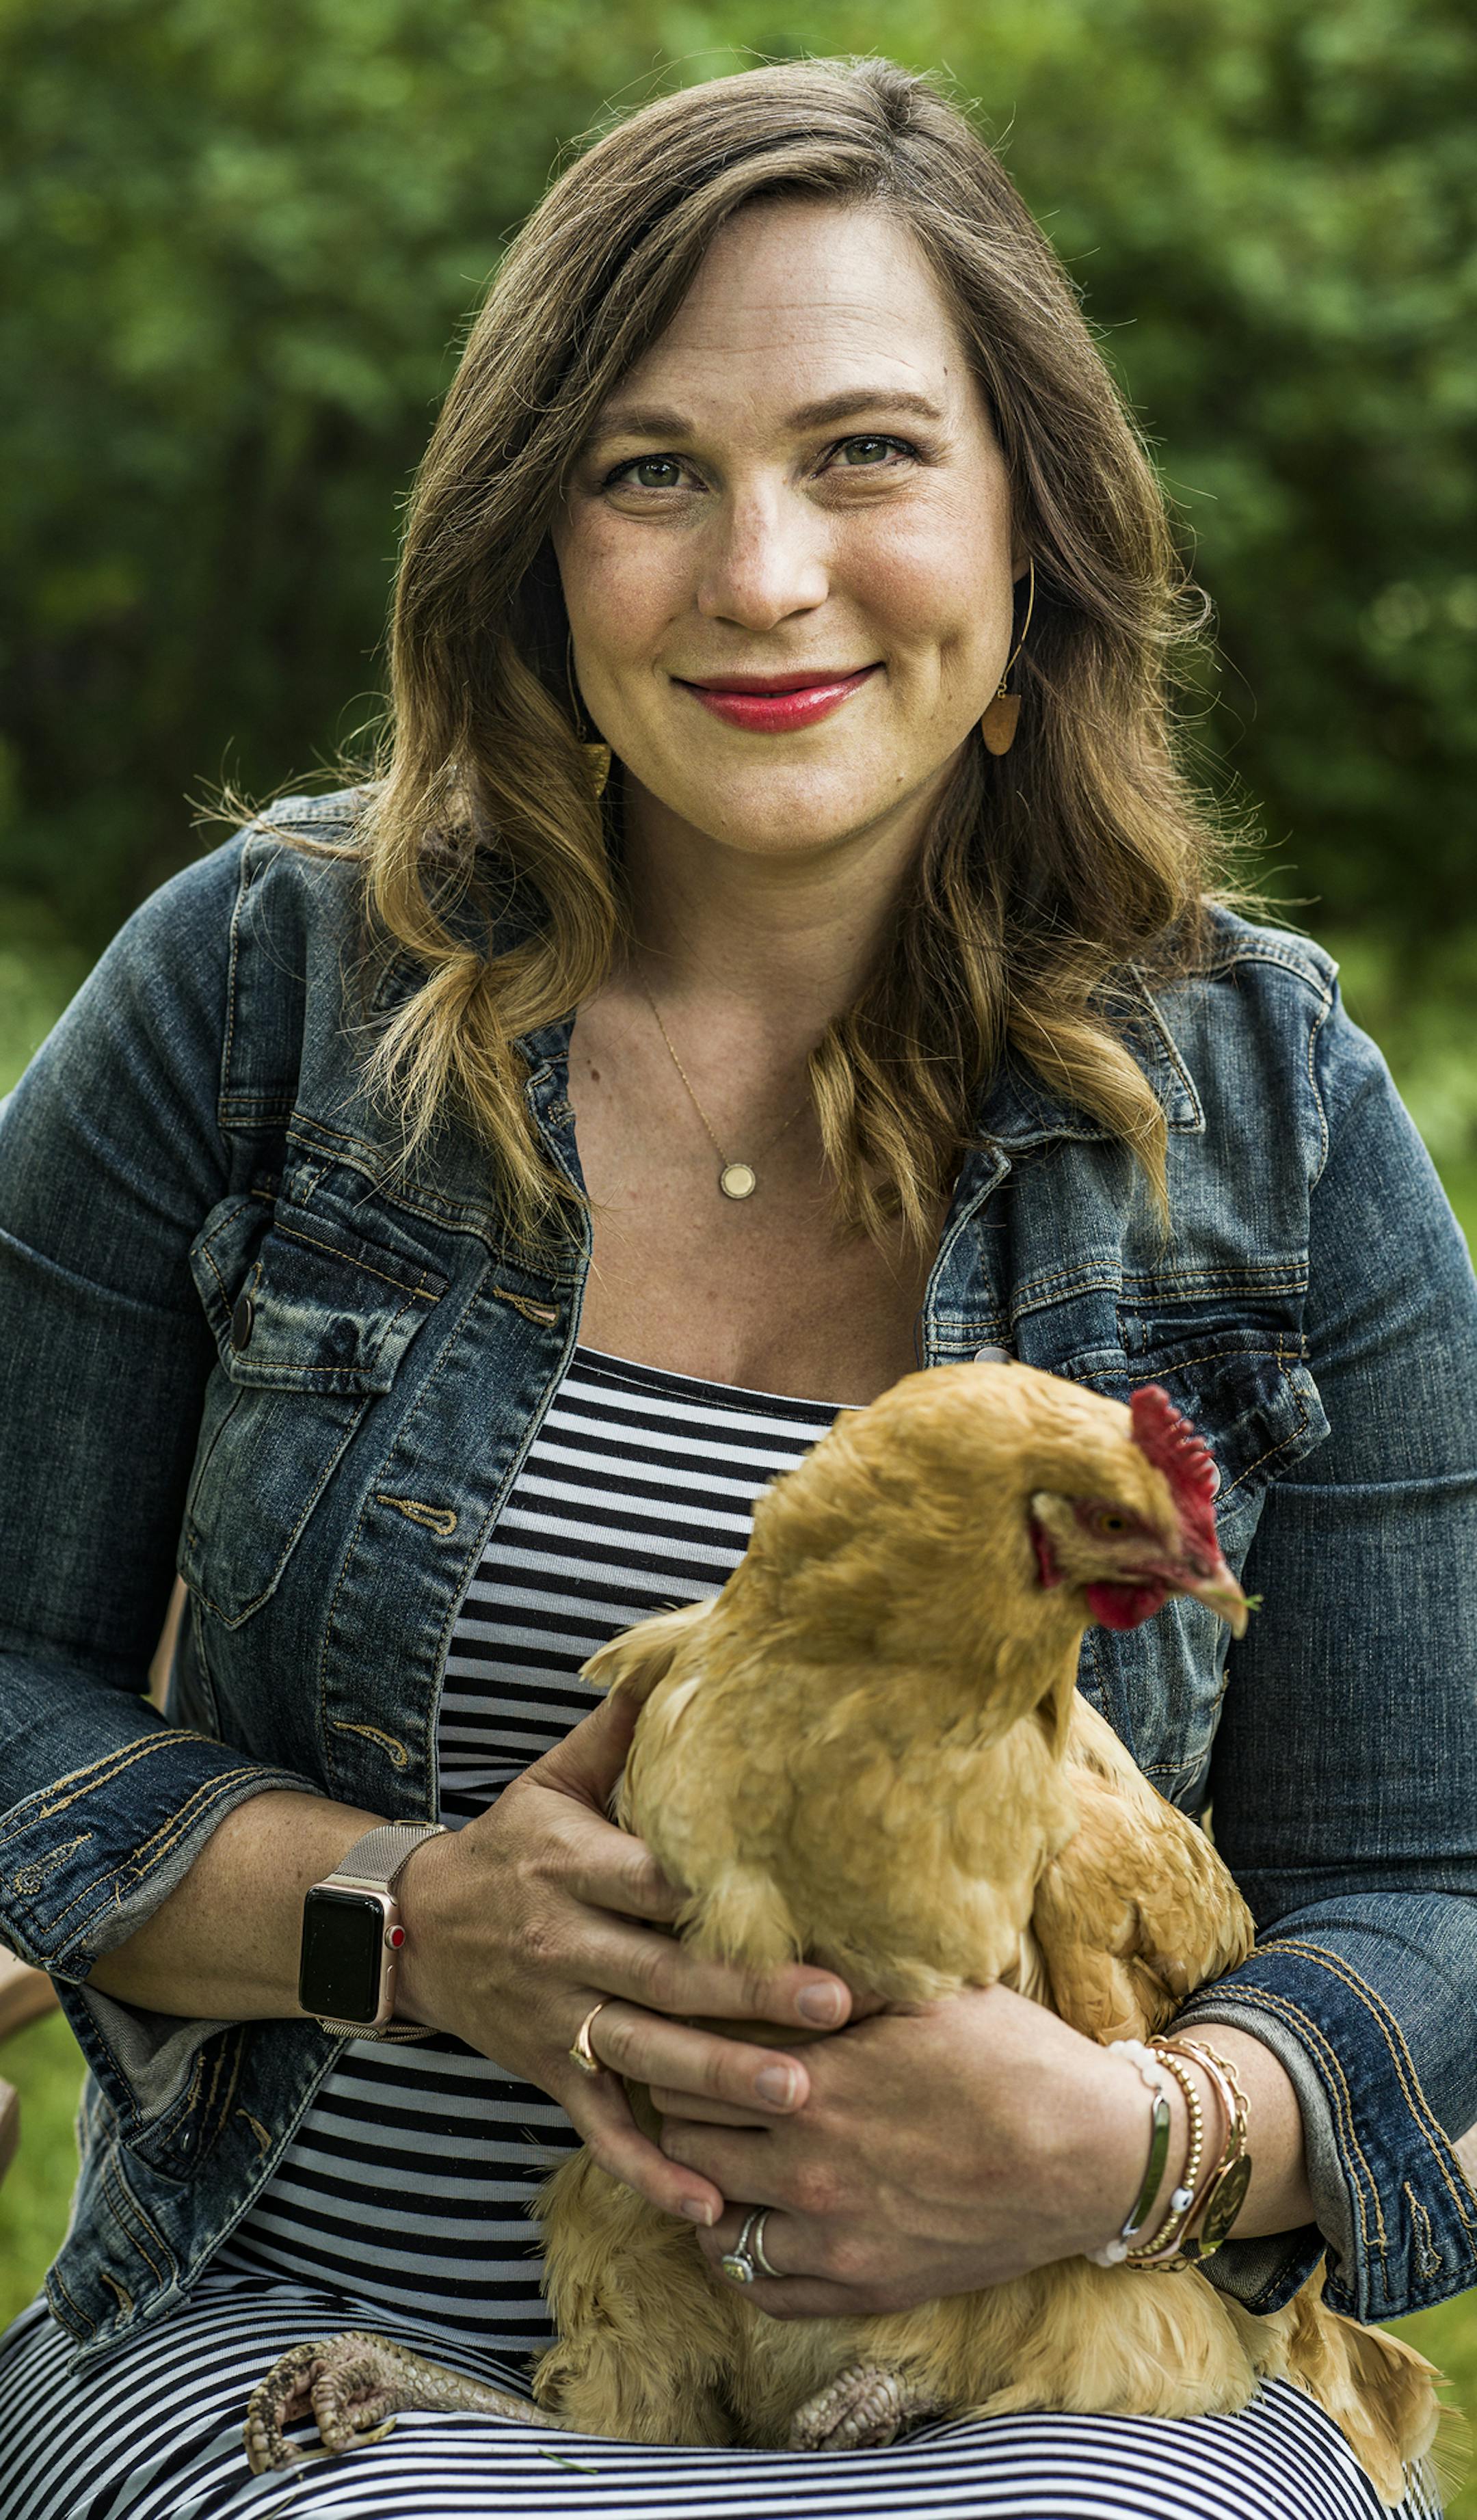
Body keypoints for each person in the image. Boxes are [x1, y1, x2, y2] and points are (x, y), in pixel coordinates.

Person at [0, 52, 1473, 2520]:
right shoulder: (262, 996)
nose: (764, 574)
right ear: (528, 556)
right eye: (647, 469)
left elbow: (1440, 1878)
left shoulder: (1273, 1107)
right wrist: (394, 1914)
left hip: (1048, 2386)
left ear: (1034, 523)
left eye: (870, 454)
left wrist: (1151, 2136)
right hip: (335, 2359)